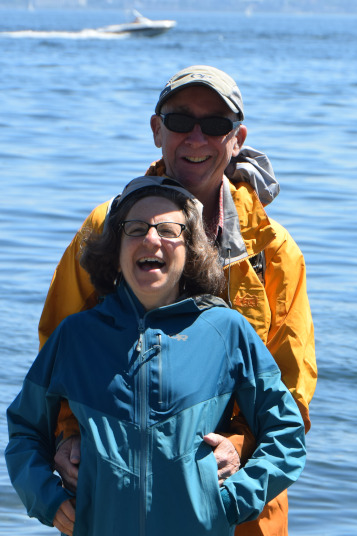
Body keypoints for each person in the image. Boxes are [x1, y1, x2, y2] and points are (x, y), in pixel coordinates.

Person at [37, 65, 316, 536]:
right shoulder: (105, 229)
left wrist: (237, 446)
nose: (196, 138)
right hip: (117, 499)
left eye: (215, 125)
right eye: (180, 120)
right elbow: (58, 355)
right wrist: (68, 435)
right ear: (156, 129)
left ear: (237, 137)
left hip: (235, 503)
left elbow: (291, 390)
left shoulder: (274, 252)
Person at [6, 176, 306, 536]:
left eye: (168, 229)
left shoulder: (226, 330)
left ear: (191, 249)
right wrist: (48, 499)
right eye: (135, 229)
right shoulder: (76, 336)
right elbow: (25, 430)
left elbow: (286, 433)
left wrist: (231, 501)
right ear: (115, 249)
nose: (151, 239)